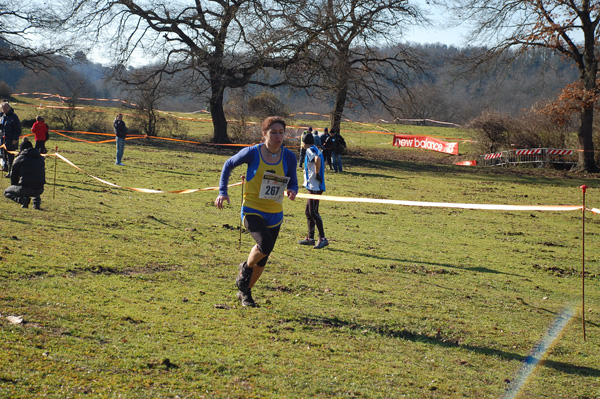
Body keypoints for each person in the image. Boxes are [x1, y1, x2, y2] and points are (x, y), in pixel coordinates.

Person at [215, 116, 298, 307]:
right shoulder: (252, 153)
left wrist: (293, 190)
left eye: (281, 132)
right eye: (273, 132)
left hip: (275, 213)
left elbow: (293, 180)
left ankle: (245, 292)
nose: (278, 136)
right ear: (264, 134)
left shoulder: (289, 156)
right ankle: (245, 267)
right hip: (252, 209)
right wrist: (223, 192)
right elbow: (228, 164)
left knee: (264, 257)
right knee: (265, 244)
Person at [298, 132, 329, 249]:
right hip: (313, 186)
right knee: (308, 212)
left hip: (314, 186)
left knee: (314, 212)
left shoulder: (310, 150)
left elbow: (317, 159)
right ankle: (311, 238)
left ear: (303, 142)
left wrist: (316, 174)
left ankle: (323, 238)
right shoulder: (316, 148)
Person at [3, 137, 45, 209]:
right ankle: (36, 204)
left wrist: (15, 186)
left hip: (26, 188)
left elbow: (14, 176)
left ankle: (23, 200)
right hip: (40, 189)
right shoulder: (40, 158)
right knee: (35, 181)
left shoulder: (20, 158)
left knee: (6, 192)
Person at [0, 101, 21, 177]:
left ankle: (11, 172)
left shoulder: (14, 117)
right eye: (3, 108)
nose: (5, 109)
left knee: (10, 157)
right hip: (2, 140)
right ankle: (6, 168)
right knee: (3, 155)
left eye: (6, 107)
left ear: (9, 108)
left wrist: (15, 139)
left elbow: (18, 129)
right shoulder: (1, 116)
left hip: (11, 140)